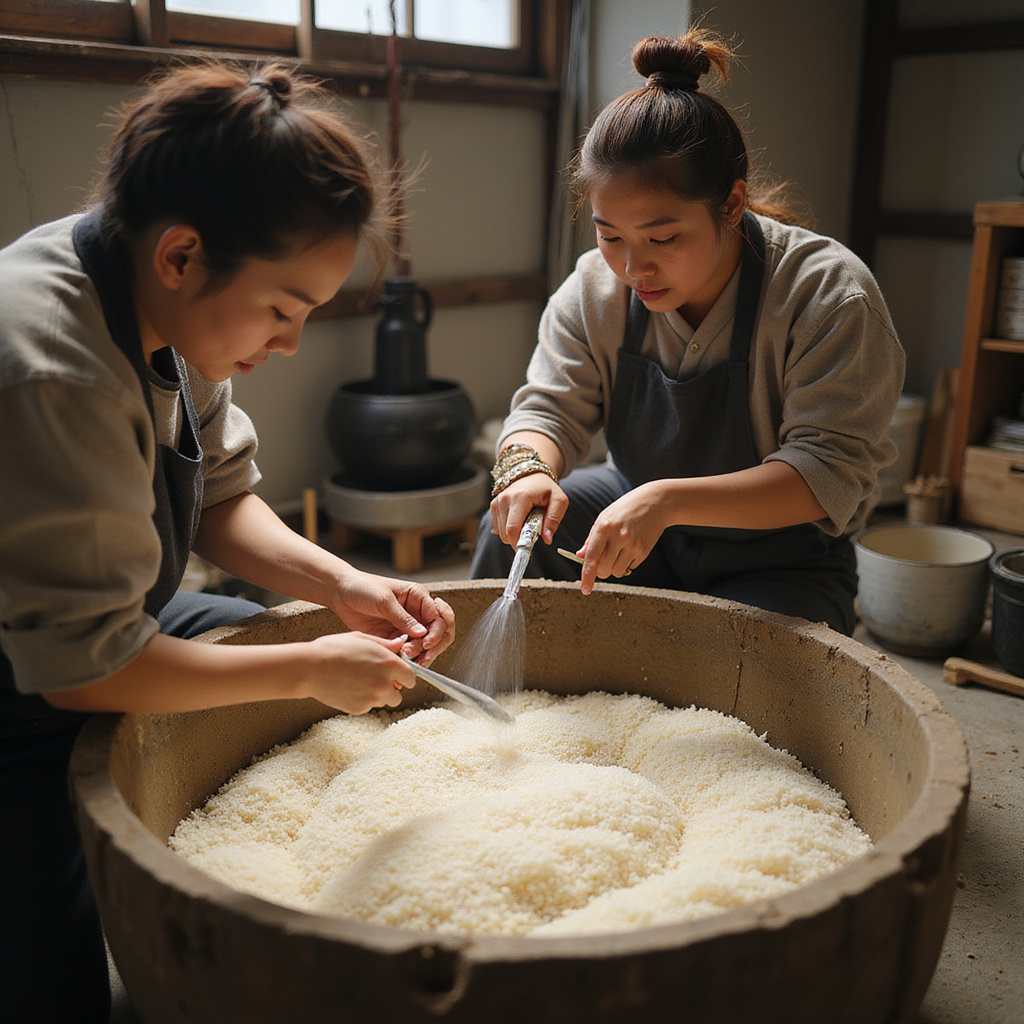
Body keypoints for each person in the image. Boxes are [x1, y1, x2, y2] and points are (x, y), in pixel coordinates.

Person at [0, 60, 455, 1023]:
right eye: (283, 309)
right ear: (182, 254)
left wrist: (343, 585)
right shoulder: (55, 368)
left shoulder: (157, 298)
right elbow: (79, 672)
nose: (288, 344)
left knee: (263, 625)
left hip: (119, 609)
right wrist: (305, 670)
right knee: (58, 997)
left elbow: (218, 497)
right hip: (22, 680)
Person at [471, 29, 905, 637]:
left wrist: (666, 502)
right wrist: (527, 472)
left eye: (663, 238)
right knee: (514, 532)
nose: (633, 267)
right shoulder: (598, 288)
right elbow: (546, 410)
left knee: (740, 675)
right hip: (639, 517)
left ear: (731, 205)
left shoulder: (825, 294)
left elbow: (823, 472)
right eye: (610, 235)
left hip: (783, 556)